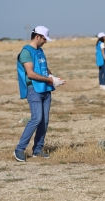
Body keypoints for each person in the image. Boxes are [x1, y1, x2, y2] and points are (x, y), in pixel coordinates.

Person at [14, 26, 66, 162]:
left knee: (44, 120)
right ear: (37, 37)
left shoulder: (40, 51)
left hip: (46, 89)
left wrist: (53, 78)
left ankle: (37, 150)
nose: (45, 41)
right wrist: (49, 79)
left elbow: (45, 68)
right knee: (36, 118)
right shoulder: (26, 52)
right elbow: (30, 73)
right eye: (44, 38)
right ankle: (19, 149)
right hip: (34, 90)